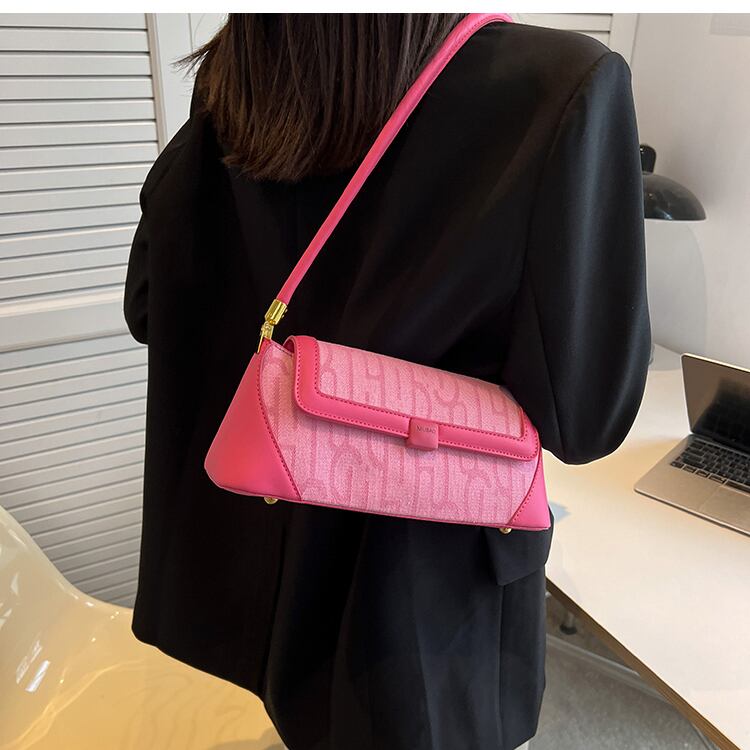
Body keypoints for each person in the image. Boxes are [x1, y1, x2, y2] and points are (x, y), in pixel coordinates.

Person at [124, 14, 650, 750]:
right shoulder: (562, 85)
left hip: (257, 582)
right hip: (424, 630)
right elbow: (586, 418)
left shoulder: (235, 80)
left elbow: (150, 306)